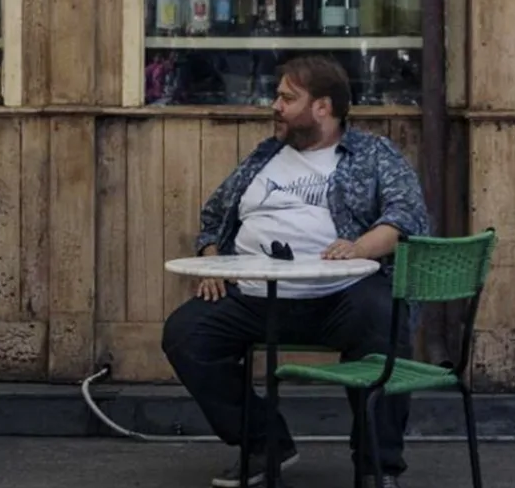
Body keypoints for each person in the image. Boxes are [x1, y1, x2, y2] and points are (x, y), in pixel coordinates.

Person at [162, 55, 430, 488]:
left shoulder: (372, 154)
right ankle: (265, 443)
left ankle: (378, 466)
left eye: (288, 98)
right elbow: (214, 218)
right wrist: (213, 261)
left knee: (384, 318)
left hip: (341, 295)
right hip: (256, 294)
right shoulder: (264, 157)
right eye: (278, 96)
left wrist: (359, 247)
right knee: (186, 333)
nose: (275, 105)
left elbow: (405, 217)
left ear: (322, 107)